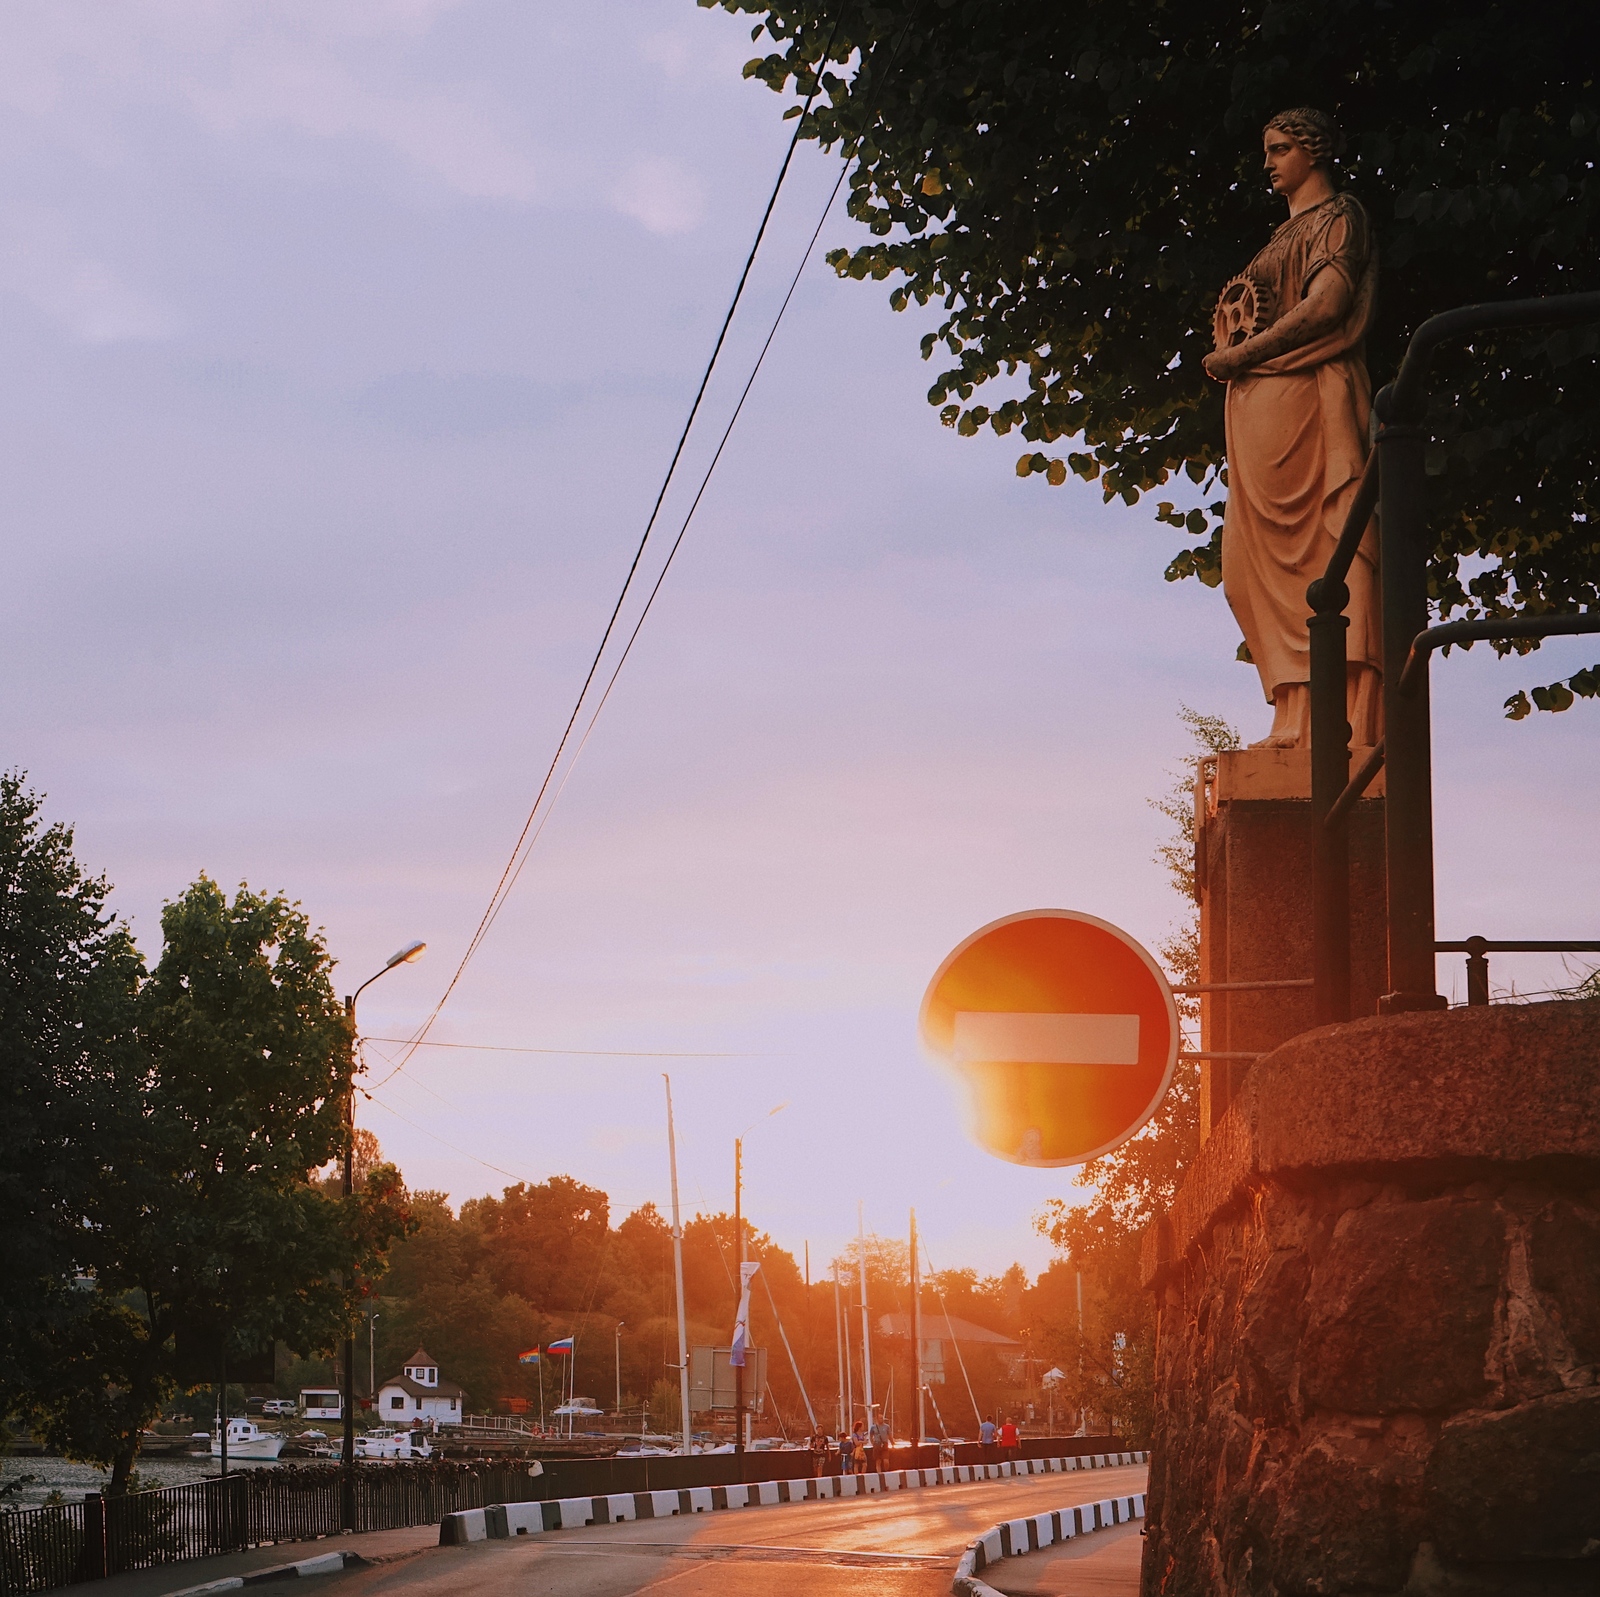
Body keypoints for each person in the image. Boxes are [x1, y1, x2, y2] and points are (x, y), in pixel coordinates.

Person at [1201, 107, 1382, 751]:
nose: (1270, 160)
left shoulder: (1338, 217)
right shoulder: (1281, 236)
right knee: (1245, 574)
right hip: (1261, 425)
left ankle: (1333, 719)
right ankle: (1293, 712)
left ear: (1314, 150)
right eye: (1268, 149)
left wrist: (1242, 356)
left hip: (1307, 407)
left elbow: (1327, 305)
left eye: (1281, 148)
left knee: (1324, 557)